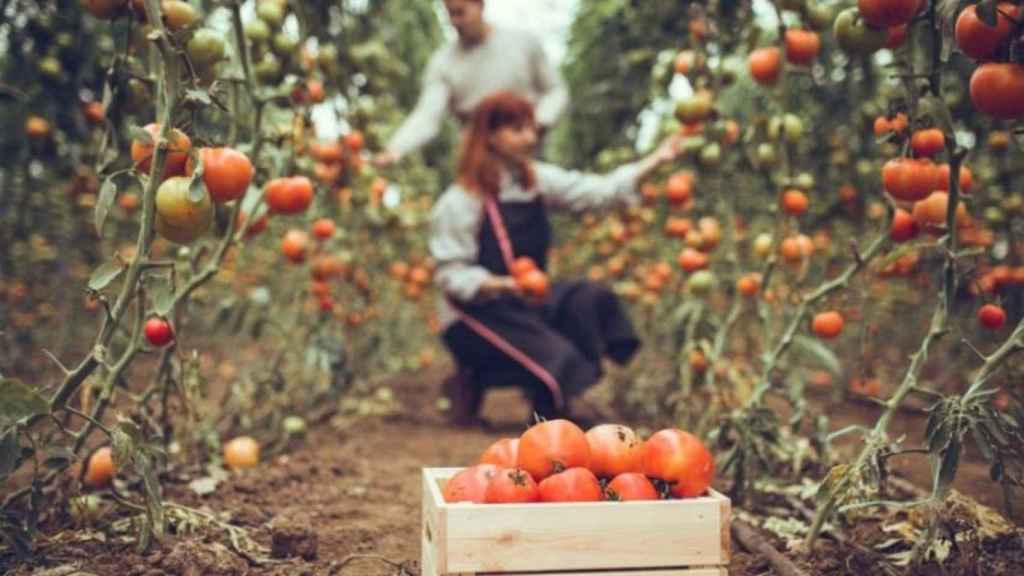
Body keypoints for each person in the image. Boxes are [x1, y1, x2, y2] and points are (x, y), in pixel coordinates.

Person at [430, 91, 683, 428]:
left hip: (524, 299)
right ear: (489, 136)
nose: (530, 138)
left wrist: (658, 159)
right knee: (555, 354)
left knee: (587, 299)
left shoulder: (535, 180)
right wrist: (503, 284)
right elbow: (451, 274)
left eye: (532, 129)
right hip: (474, 313)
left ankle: (548, 407)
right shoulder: (460, 200)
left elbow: (597, 191)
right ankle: (475, 382)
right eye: (517, 129)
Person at [373, 0, 568, 167]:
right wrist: (395, 148)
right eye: (450, 14)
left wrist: (535, 125)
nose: (455, 22)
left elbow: (556, 91)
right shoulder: (443, 63)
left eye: (460, 12)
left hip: (529, 157)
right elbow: (427, 115)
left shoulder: (522, 44)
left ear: (480, 5)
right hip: (479, 166)